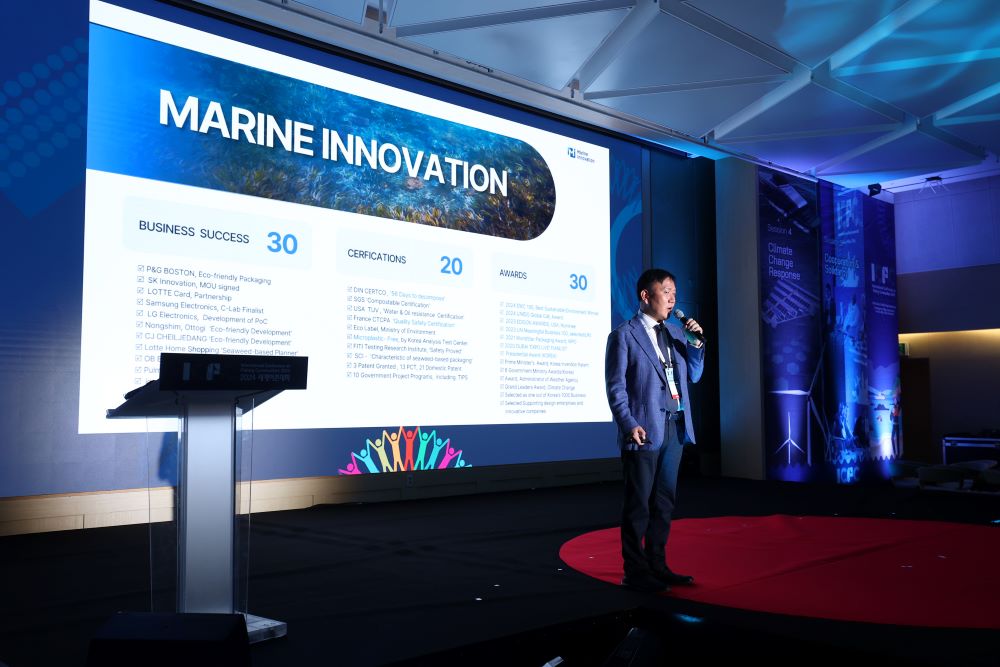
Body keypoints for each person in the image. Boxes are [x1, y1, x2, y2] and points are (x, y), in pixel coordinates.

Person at [605, 268, 705, 593]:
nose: (672, 299)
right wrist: (628, 423)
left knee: (664, 502)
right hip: (643, 430)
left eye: (674, 293)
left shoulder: (676, 333)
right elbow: (616, 388)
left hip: (675, 426)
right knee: (639, 504)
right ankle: (635, 572)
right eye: (666, 292)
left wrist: (696, 344)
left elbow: (695, 375)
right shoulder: (624, 335)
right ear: (646, 296)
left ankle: (658, 565)